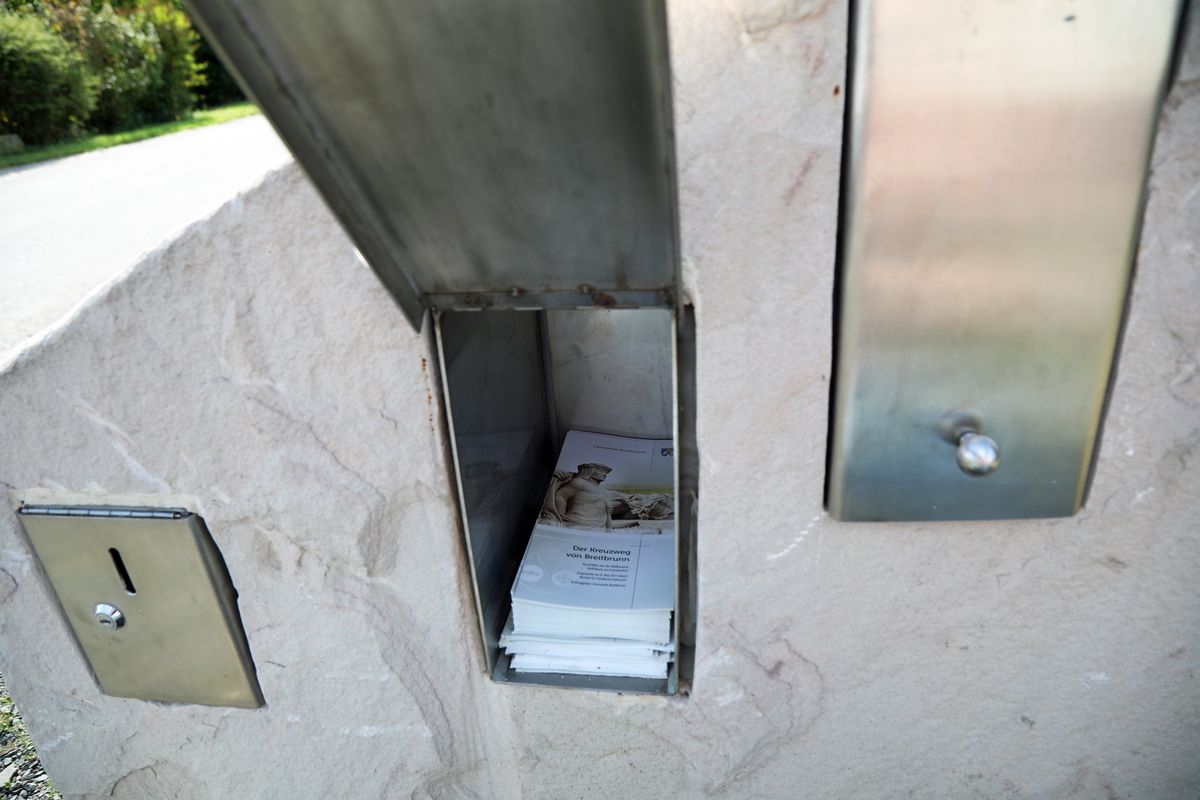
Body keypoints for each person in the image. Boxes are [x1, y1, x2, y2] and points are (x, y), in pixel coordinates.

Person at [539, 463, 638, 530]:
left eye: (606, 472)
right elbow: (561, 496)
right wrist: (560, 516)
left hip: (598, 526)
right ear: (589, 471)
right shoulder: (578, 482)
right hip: (576, 522)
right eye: (600, 471)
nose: (604, 474)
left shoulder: (601, 491)